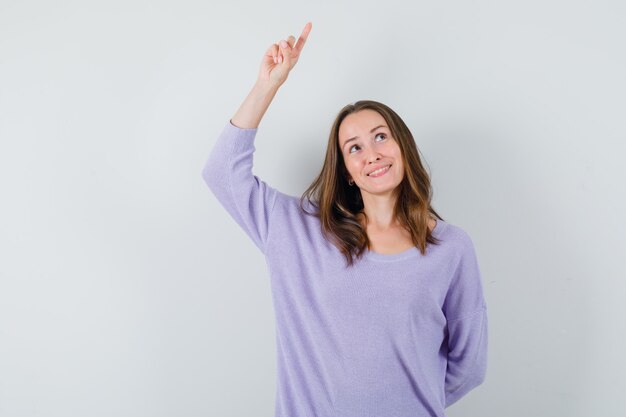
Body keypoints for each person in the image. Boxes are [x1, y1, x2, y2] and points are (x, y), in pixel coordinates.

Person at [201, 22, 488, 417]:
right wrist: (268, 85)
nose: (371, 153)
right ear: (348, 171)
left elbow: (468, 367)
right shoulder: (297, 230)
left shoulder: (451, 249)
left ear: (403, 146)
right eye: (354, 147)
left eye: (381, 137)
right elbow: (222, 173)